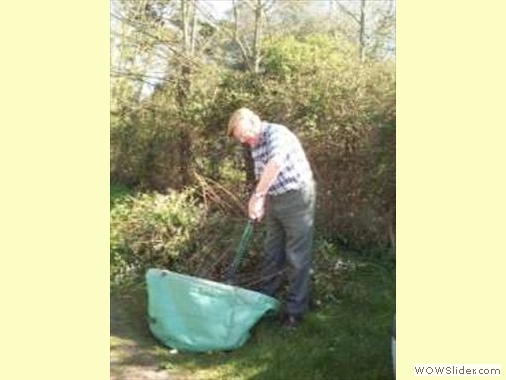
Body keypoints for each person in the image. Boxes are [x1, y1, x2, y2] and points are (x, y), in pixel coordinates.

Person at [227, 108, 316, 328]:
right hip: (275, 199)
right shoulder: (254, 143)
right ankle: (265, 301)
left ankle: (295, 312)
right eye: (241, 139)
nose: (246, 141)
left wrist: (257, 196)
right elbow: (263, 175)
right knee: (271, 251)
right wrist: (263, 201)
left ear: (256, 122)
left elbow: (275, 163)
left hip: (297, 198)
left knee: (296, 256)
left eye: (246, 135)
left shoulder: (277, 133)